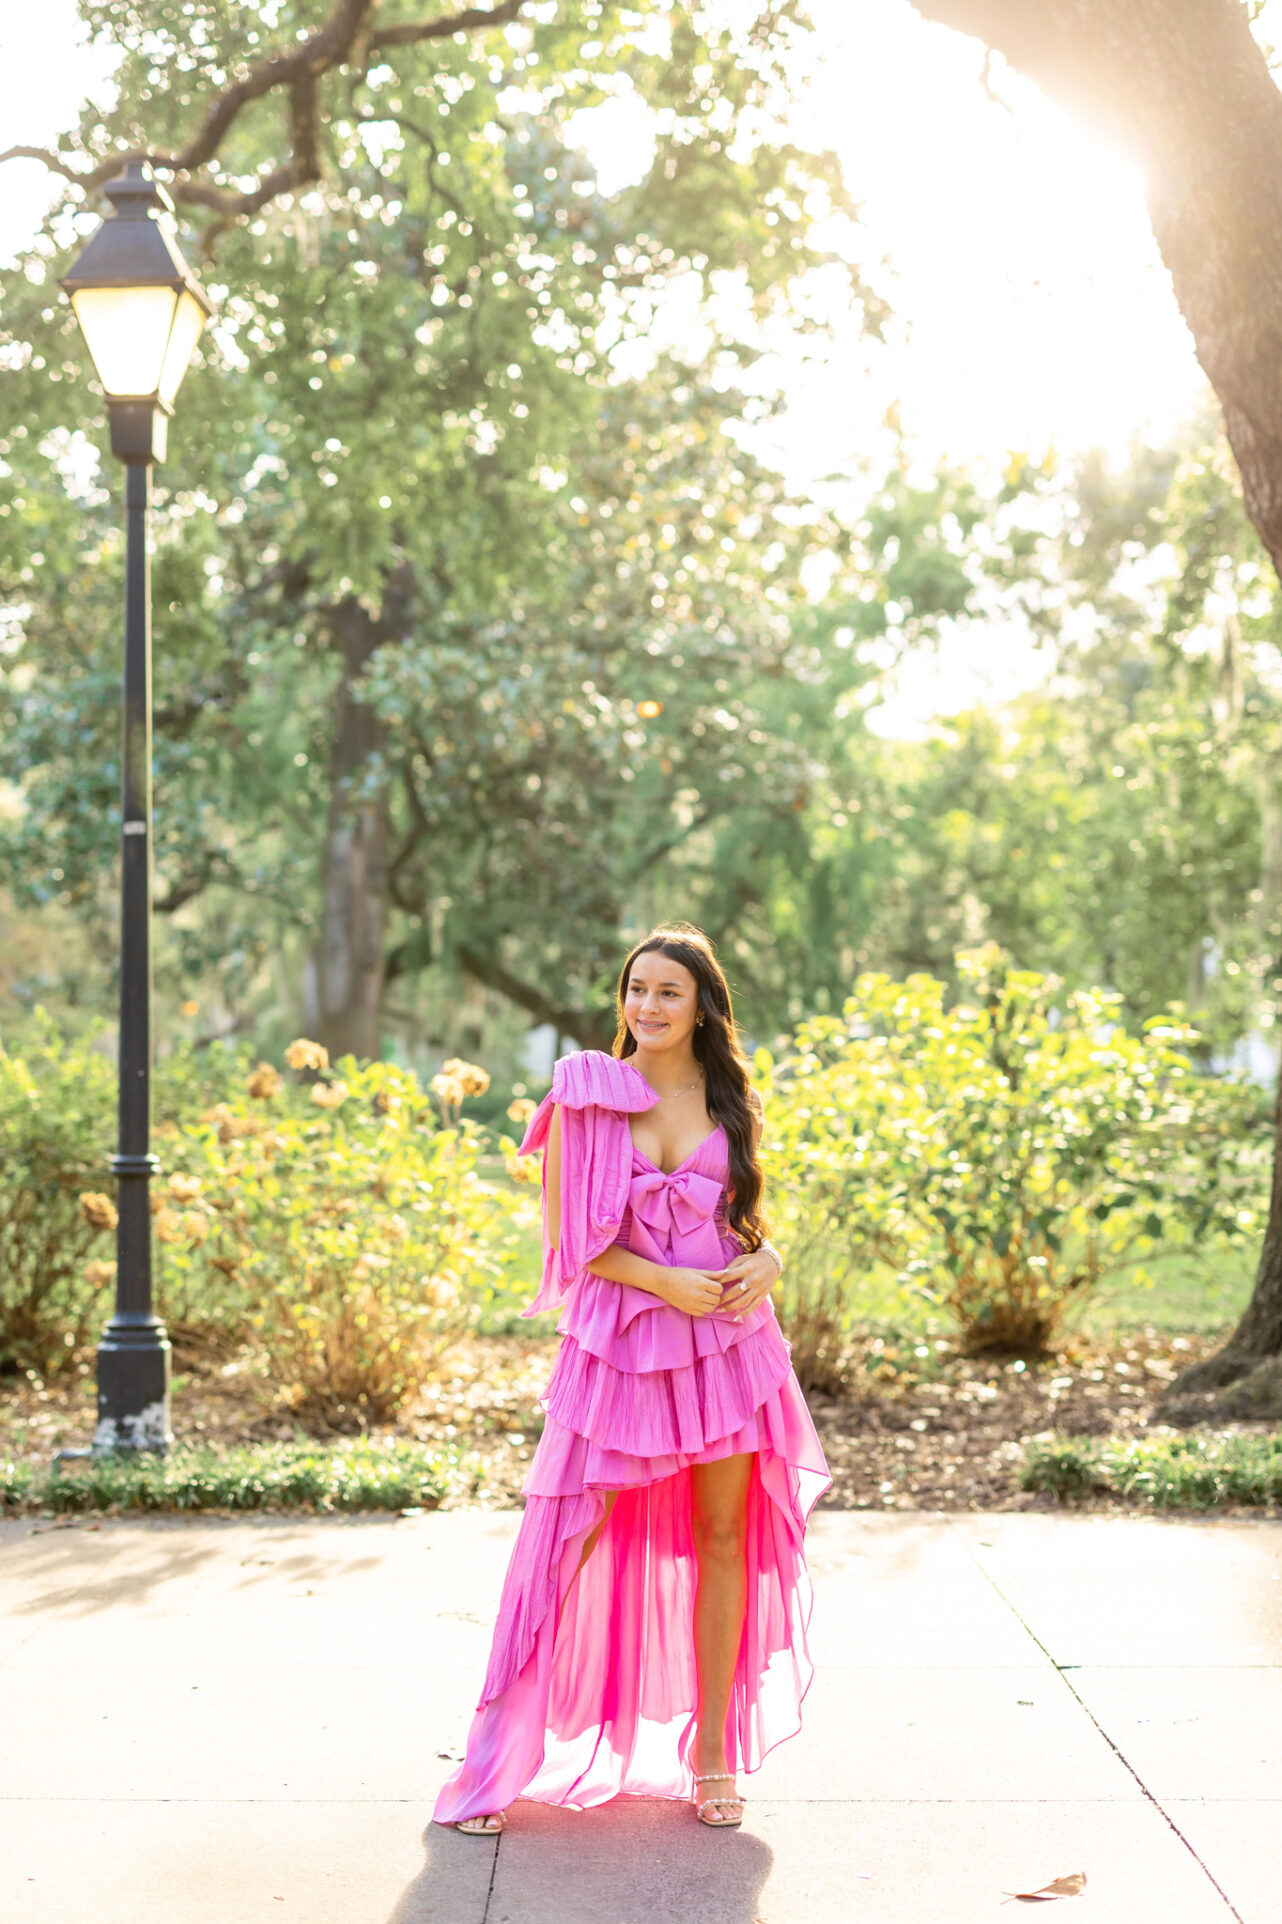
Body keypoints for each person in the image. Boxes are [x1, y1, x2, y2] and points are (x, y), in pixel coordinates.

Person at [432, 922, 830, 1833]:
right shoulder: (588, 1092)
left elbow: (742, 1223)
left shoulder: (730, 1097)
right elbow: (575, 1242)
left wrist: (770, 1262)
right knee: (568, 1532)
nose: (646, 1007)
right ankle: (500, 1760)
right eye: (636, 989)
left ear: (701, 1008)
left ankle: (714, 1755)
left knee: (723, 1538)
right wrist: (664, 1282)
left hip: (728, 1346)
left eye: (667, 993)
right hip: (622, 1342)